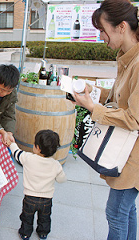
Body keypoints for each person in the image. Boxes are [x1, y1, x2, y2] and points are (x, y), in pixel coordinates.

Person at [74, 0, 139, 239]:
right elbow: (120, 98)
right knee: (126, 210)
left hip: (134, 156)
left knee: (116, 213)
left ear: (121, 27)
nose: (101, 37)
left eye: (102, 30)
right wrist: (92, 92)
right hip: (128, 151)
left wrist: (93, 108)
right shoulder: (128, 57)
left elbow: (134, 118)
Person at [9, 130, 66, 240]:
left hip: (30, 198)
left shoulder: (28, 158)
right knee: (45, 218)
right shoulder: (55, 165)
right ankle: (43, 233)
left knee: (27, 217)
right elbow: (61, 179)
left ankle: (25, 234)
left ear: (38, 148)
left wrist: (12, 143)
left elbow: (16, 152)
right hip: (47, 199)